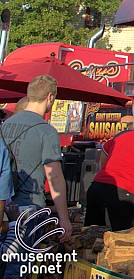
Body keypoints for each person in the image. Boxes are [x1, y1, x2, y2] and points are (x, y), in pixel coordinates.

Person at [0, 75, 71, 279]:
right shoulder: (46, 131)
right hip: (28, 210)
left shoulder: (5, 125)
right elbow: (54, 177)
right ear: (50, 98)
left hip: (4, 207)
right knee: (19, 270)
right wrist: (63, 219)